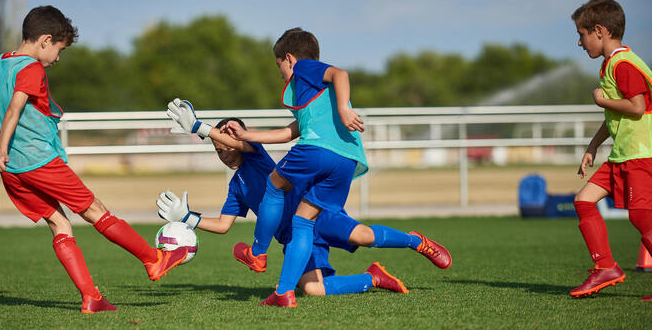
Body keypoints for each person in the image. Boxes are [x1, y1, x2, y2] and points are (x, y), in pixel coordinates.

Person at [0, 5, 188, 314]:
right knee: (94, 210)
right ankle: (154, 259)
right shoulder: (32, 68)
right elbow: (15, 108)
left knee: (59, 224)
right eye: (58, 49)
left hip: (15, 171)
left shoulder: (2, 64)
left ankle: (91, 297)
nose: (57, 58)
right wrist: (0, 149)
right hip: (38, 161)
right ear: (44, 40)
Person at [157, 117, 452, 299]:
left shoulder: (256, 155)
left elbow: (242, 144)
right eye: (219, 150)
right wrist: (188, 218)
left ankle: (417, 242)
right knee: (313, 290)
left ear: (240, 141)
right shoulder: (236, 186)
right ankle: (373, 277)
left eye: (228, 146)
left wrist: (202, 128)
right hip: (293, 239)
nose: (224, 153)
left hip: (314, 214)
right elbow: (223, 225)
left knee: (363, 236)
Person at [569, 0, 652, 301]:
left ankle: (606, 268)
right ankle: (605, 268)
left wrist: (602, 101)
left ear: (600, 31)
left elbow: (637, 107)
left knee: (643, 220)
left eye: (582, 35)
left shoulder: (623, 64)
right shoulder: (611, 64)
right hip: (623, 155)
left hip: (641, 155)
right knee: (584, 201)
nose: (580, 42)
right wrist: (592, 146)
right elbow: (618, 114)